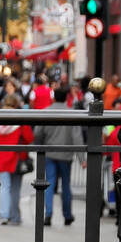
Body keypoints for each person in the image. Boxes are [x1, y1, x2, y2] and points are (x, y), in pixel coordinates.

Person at [34, 86, 85, 226]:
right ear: (67, 97)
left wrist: (38, 145)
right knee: (66, 185)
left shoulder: (45, 112)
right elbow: (77, 137)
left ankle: (48, 214)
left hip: (49, 152)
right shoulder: (72, 114)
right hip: (66, 154)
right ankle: (67, 215)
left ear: (54, 97)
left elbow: (38, 133)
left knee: (49, 183)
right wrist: (82, 158)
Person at [0, 94, 33, 226]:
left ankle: (3, 215)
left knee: (4, 187)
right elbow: (29, 138)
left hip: (1, 157)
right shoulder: (20, 120)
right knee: (15, 189)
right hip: (17, 158)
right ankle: (15, 216)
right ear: (17, 105)